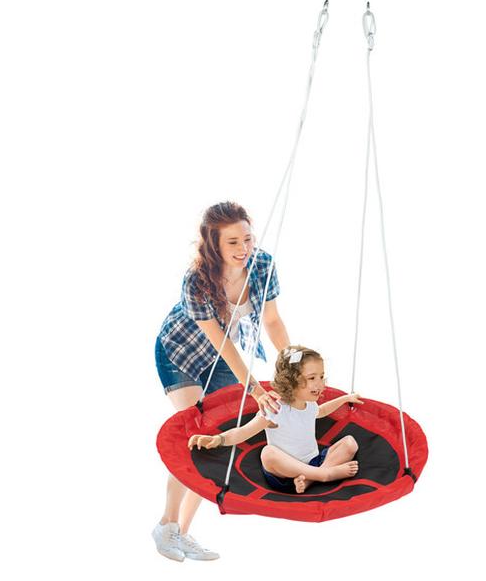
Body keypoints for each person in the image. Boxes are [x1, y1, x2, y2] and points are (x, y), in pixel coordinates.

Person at [152, 201, 288, 562]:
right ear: (213, 244)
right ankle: (167, 526)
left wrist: (291, 362)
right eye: (233, 242)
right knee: (195, 435)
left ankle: (183, 533)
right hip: (180, 353)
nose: (244, 248)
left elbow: (272, 321)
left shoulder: (262, 265)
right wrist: (255, 389)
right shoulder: (197, 280)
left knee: (215, 443)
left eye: (247, 238)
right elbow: (221, 342)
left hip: (223, 359)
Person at [188, 345, 363, 495]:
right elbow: (243, 432)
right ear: (290, 381)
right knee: (267, 453)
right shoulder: (275, 408)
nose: (320, 383)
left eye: (321, 376)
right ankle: (324, 475)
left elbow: (322, 411)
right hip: (284, 474)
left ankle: (310, 479)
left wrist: (345, 399)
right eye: (312, 378)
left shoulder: (310, 405)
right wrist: (218, 439)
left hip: (314, 462)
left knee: (350, 443)